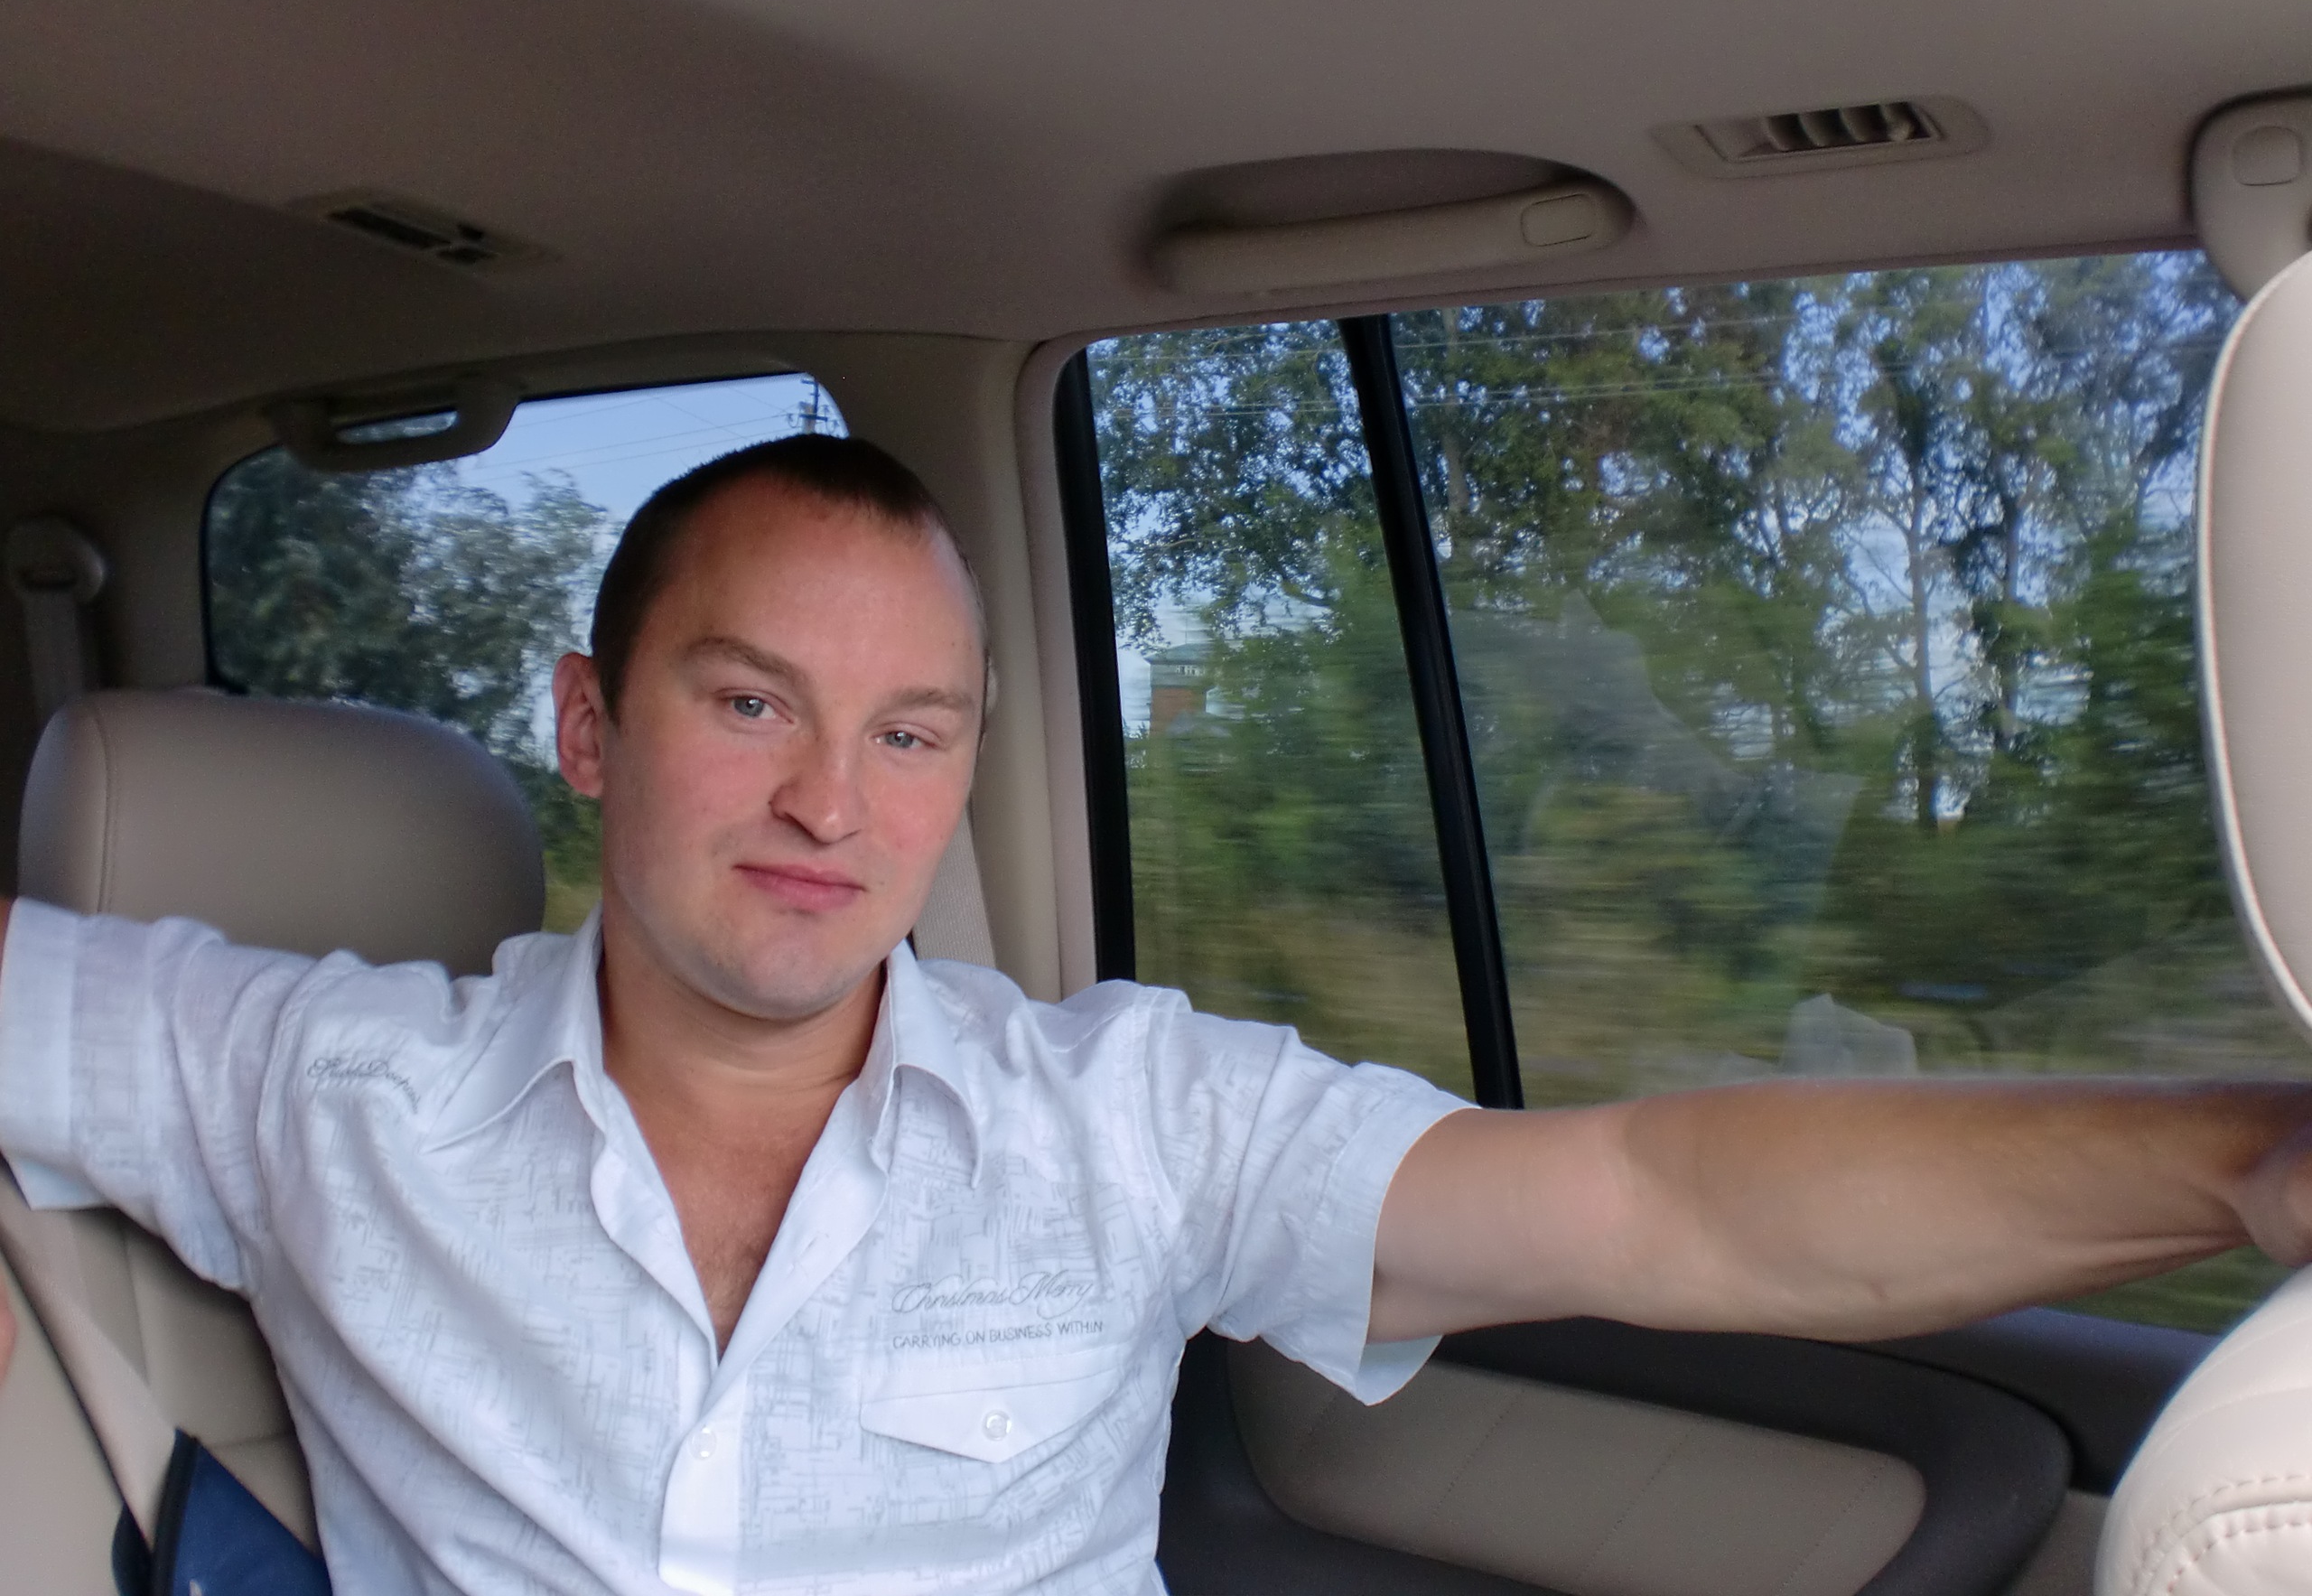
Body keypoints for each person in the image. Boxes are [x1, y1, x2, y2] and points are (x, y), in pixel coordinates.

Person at [1, 434, 2309, 1595]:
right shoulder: (315, 1088)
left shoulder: (1124, 1117)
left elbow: (1658, 1200)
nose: (831, 803)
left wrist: (2244, 1157)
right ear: (589, 728)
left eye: (909, 732)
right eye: (750, 702)